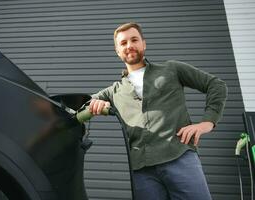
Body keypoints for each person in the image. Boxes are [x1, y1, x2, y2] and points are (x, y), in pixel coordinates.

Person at [89, 22, 228, 200]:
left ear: (144, 43)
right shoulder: (113, 91)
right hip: (141, 171)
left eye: (134, 40)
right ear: (117, 51)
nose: (129, 45)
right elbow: (83, 104)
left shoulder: (172, 69)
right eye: (123, 43)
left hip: (179, 157)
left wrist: (207, 122)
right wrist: (94, 104)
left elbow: (216, 85)